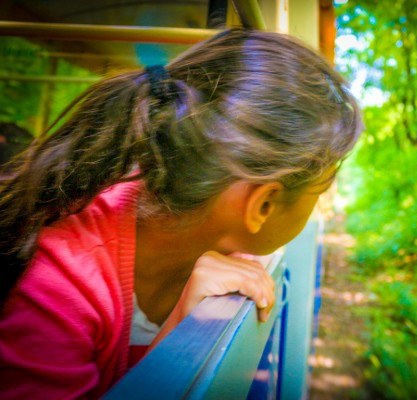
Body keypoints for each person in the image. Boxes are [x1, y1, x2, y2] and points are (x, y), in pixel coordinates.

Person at [0, 29, 362, 398]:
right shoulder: (57, 289)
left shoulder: (201, 226)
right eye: (319, 191)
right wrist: (178, 348)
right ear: (263, 206)